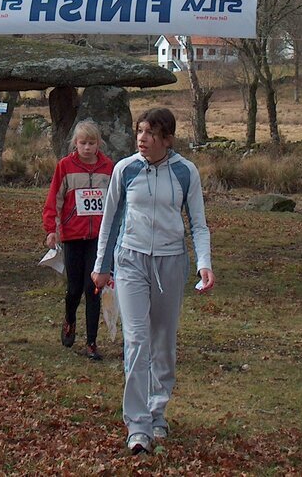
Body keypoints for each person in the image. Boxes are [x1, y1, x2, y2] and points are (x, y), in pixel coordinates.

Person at [91, 108, 214, 455]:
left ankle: (157, 412)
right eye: (140, 131)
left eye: (150, 133)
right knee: (137, 340)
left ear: (167, 139)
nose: (142, 139)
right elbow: (110, 219)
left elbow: (199, 224)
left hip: (171, 263)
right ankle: (138, 425)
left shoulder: (185, 172)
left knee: (162, 342)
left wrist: (204, 263)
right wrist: (102, 266)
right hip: (130, 259)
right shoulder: (125, 169)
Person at [42, 121, 114, 362]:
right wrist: (52, 229)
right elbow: (55, 199)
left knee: (93, 289)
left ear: (98, 144)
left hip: (99, 239)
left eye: (91, 143)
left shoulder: (109, 168)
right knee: (74, 289)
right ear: (75, 143)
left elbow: (116, 203)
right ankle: (69, 318)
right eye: (82, 143)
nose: (87, 147)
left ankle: (92, 342)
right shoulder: (65, 166)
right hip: (73, 236)